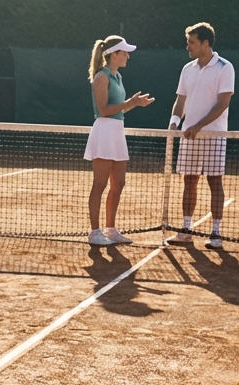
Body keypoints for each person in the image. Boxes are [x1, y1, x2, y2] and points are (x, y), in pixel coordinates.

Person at [165, 22, 234, 249]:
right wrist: (175, 123)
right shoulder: (187, 69)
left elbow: (223, 104)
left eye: (192, 42)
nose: (188, 46)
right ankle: (186, 230)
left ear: (205, 43)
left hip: (214, 136)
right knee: (189, 180)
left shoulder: (225, 68)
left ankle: (216, 233)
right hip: (189, 136)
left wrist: (198, 126)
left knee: (214, 182)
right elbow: (180, 100)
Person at [84, 36, 154, 246]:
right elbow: (104, 110)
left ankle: (111, 230)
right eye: (124, 52)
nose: (127, 56)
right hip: (104, 132)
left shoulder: (118, 77)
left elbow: (119, 108)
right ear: (113, 54)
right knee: (99, 184)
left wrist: (135, 104)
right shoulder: (101, 77)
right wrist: (129, 102)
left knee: (119, 183)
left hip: (116, 131)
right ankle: (95, 232)